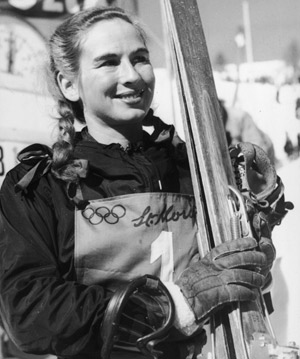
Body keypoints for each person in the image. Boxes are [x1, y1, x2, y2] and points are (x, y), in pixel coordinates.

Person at [0, 6, 278, 359]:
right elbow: (29, 313)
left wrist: (254, 229)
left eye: (140, 58)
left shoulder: (194, 167)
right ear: (69, 84)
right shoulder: (40, 186)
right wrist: (170, 305)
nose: (132, 75)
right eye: (108, 62)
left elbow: (240, 279)